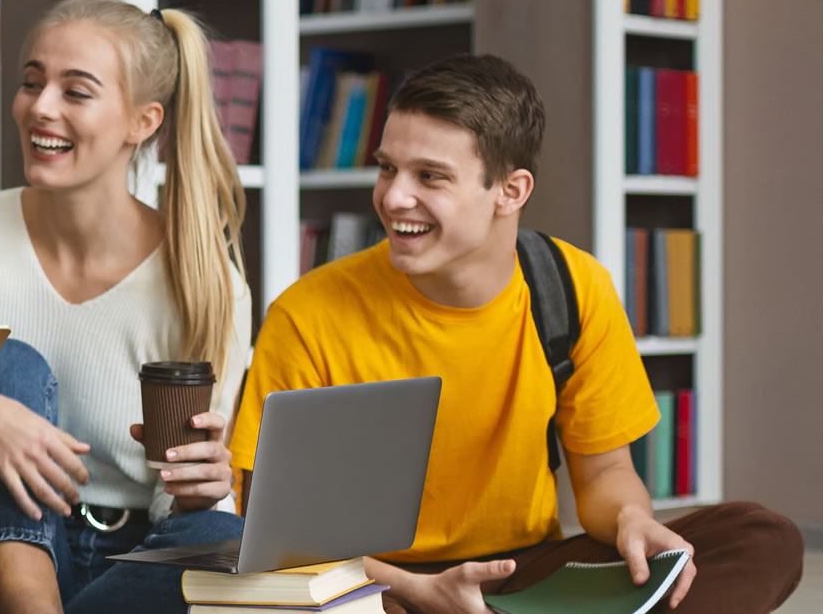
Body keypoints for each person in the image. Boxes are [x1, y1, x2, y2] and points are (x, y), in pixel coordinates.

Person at [232, 53, 804, 614]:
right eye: (388, 167)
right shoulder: (308, 315)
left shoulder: (573, 286)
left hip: (522, 571)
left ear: (511, 191)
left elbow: (605, 472)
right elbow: (278, 534)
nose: (393, 196)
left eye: (429, 176)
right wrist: (415, 589)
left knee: (761, 537)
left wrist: (633, 519)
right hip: (381, 584)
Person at [0, 0, 252, 614]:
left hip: (132, 563)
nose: (40, 107)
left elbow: (180, 507)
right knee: (6, 366)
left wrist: (201, 487)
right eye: (31, 83)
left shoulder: (205, 277)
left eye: (76, 92)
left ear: (143, 122)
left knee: (220, 536)